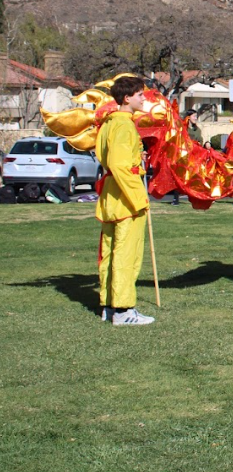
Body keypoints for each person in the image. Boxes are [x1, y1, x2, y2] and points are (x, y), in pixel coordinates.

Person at [96, 75, 154, 325]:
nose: (144, 98)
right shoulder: (122, 124)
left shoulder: (110, 123)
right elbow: (119, 165)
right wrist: (138, 197)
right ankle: (123, 310)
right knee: (125, 254)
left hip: (112, 197)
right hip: (125, 200)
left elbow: (110, 158)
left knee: (110, 253)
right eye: (140, 94)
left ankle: (109, 305)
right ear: (127, 98)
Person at [171, 109, 203, 206]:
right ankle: (175, 198)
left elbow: (200, 140)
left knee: (195, 177)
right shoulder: (183, 129)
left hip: (195, 156)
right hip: (184, 156)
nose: (196, 118)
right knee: (180, 176)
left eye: (196, 116)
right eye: (194, 116)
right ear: (188, 117)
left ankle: (195, 196)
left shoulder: (197, 129)